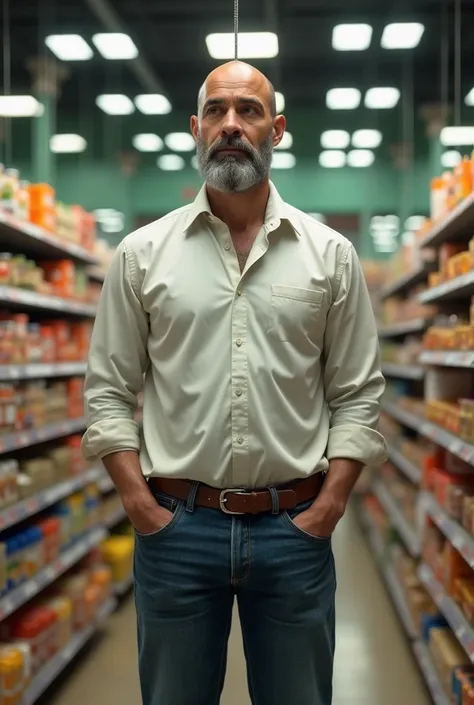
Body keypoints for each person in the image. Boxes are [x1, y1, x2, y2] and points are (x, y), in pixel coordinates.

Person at [82, 60, 386, 705]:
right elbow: (108, 389)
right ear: (195, 129)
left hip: (295, 526)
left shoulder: (330, 255)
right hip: (177, 531)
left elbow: (357, 392)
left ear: (276, 130)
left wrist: (329, 507)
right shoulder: (141, 254)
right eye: (216, 112)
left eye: (248, 111)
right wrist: (141, 506)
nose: (230, 125)